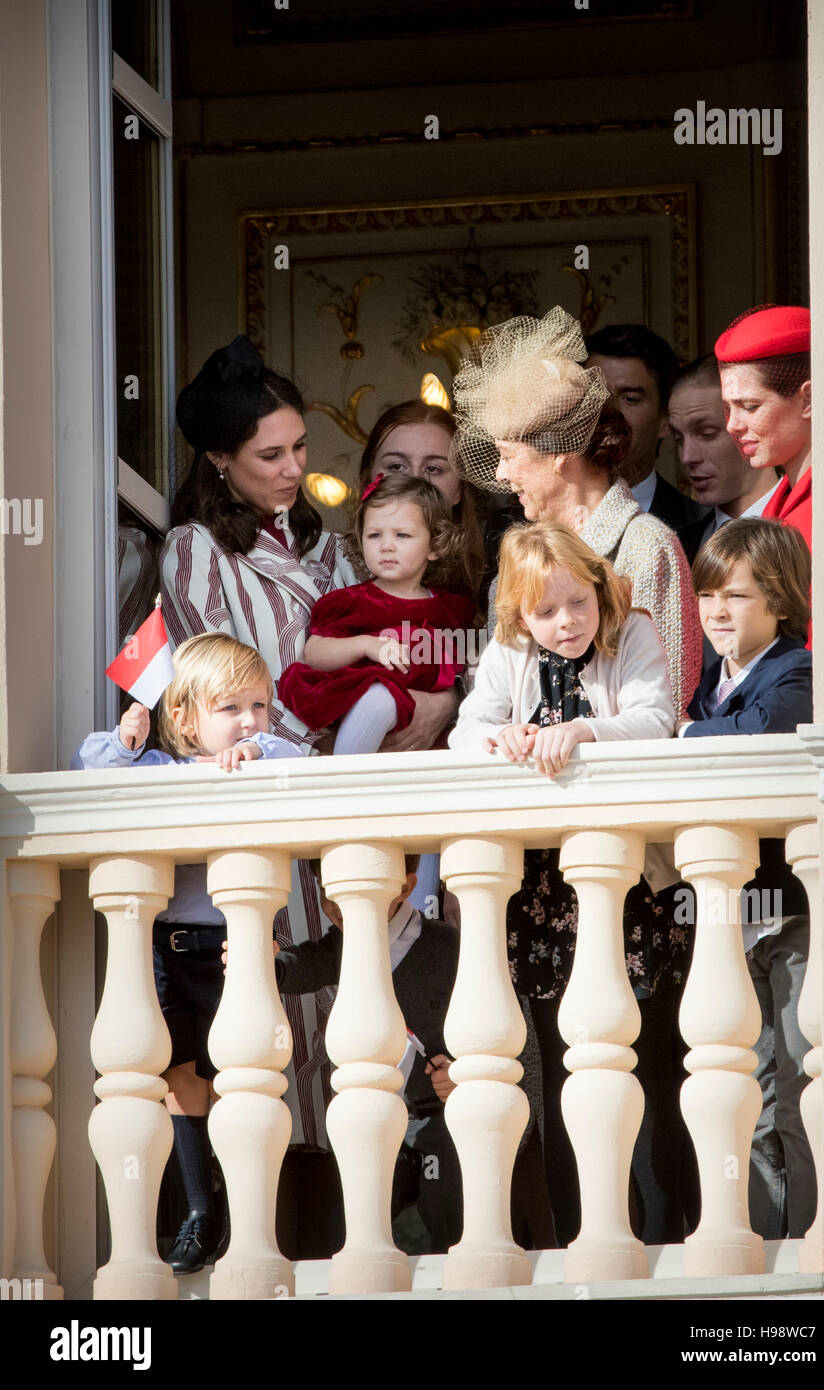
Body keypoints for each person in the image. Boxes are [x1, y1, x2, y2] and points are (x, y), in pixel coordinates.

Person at [160, 337, 460, 1154]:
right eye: (270, 454)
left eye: (300, 448)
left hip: (361, 809)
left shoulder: (332, 545)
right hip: (275, 807)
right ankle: (297, 1227)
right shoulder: (196, 550)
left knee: (371, 1018)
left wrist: (423, 703)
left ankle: (389, 1205)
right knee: (287, 1029)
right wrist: (332, 752)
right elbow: (233, 684)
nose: (293, 468)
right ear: (220, 460)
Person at [450, 522, 687, 1246]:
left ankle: (670, 1219)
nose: (566, 623)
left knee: (651, 1058)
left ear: (599, 592)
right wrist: (503, 739)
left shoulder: (632, 631)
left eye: (578, 603)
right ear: (520, 615)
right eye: (546, 612)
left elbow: (656, 718)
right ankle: (586, 1230)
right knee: (561, 1063)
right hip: (547, 895)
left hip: (627, 886)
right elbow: (466, 729)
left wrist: (583, 731)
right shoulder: (511, 652)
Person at [73, 633, 300, 1273]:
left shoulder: (260, 757)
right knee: (180, 1078)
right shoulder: (163, 770)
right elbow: (92, 767)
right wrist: (127, 739)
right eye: (231, 709)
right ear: (184, 718)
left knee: (242, 1074)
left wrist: (257, 748)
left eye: (259, 704)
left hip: (232, 951)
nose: (249, 720)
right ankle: (201, 1210)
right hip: (168, 954)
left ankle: (247, 1209)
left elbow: (300, 756)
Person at [453, 305, 702, 719]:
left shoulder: (646, 546)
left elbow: (670, 701)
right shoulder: (522, 556)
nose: (501, 473)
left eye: (509, 455)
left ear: (559, 454)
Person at [680, 517, 815, 1239]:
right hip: (731, 913)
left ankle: (813, 1241)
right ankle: (763, 1240)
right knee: (746, 1091)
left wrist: (685, 736)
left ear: (783, 602)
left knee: (798, 1087)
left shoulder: (796, 668)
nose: (720, 612)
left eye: (737, 596)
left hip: (790, 913)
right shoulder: (708, 683)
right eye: (708, 597)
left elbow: (762, 733)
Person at [222, 855, 463, 1254]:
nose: (336, 907)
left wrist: (459, 1070)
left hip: (438, 1118)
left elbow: (489, 1028)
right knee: (355, 1222)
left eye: (347, 893)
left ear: (405, 887)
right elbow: (303, 964)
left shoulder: (447, 945)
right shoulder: (342, 945)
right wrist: (262, 963)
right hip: (376, 1113)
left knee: (449, 1216)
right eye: (327, 894)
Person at [279, 473, 477, 755]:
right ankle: (345, 783)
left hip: (426, 732)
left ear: (435, 545)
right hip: (372, 699)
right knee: (379, 698)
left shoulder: (450, 608)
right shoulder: (352, 602)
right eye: (374, 535)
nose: (386, 545)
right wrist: (365, 645)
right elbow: (314, 653)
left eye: (402, 535)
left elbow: (469, 664)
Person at [358, 398, 520, 597]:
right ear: (369, 477)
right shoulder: (338, 567)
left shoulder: (498, 565)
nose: (415, 483)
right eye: (396, 467)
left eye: (433, 469)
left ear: (459, 489)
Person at [586, 322, 708, 553]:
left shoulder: (704, 529)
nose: (607, 410)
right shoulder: (524, 524)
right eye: (595, 395)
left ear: (665, 419)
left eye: (630, 399)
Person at [715, 305, 812, 552]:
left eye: (749, 406)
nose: (732, 425)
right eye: (728, 407)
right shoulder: (781, 498)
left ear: (808, 399)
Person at [667, 356, 780, 556]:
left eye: (707, 434)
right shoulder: (677, 549)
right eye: (679, 439)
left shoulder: (811, 526)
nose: (687, 457)